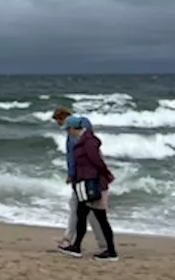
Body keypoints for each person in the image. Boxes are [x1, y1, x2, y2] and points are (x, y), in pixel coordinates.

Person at [59, 114, 119, 261]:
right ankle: (76, 247)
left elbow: (97, 162)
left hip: (94, 184)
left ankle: (110, 252)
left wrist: (106, 175)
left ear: (74, 128)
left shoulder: (88, 142)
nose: (67, 132)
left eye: (68, 129)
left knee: (101, 218)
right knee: (81, 215)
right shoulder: (82, 140)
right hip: (84, 184)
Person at [51, 106, 103, 254]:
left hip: (82, 176)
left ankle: (99, 244)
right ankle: (70, 239)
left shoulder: (72, 135)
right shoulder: (85, 124)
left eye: (58, 121)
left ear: (62, 118)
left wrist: (71, 174)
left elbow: (72, 157)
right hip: (88, 174)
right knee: (80, 208)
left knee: (84, 210)